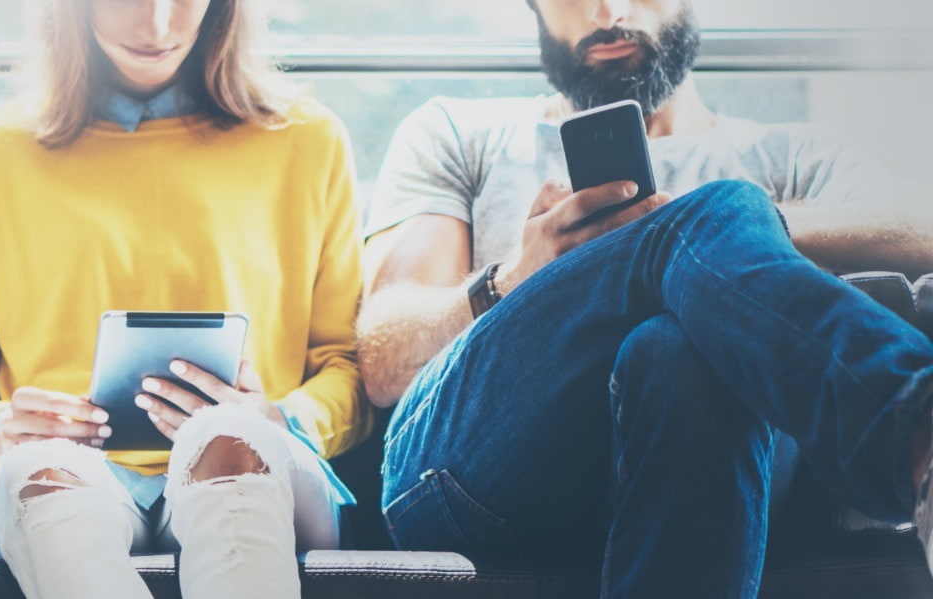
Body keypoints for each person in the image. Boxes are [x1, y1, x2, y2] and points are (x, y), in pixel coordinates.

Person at [358, 0, 933, 596]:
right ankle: (917, 440)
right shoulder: (456, 132)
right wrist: (515, 276)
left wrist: (721, 227)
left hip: (713, 455)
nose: (606, 10)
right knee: (712, 231)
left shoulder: (792, 156)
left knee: (676, 352)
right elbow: (385, 358)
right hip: (469, 470)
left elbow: (922, 231)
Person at [0, 0, 368, 597]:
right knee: (41, 475)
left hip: (256, 459)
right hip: (63, 469)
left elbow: (344, 371)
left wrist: (278, 417)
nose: (158, 24)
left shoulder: (310, 141)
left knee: (227, 440)